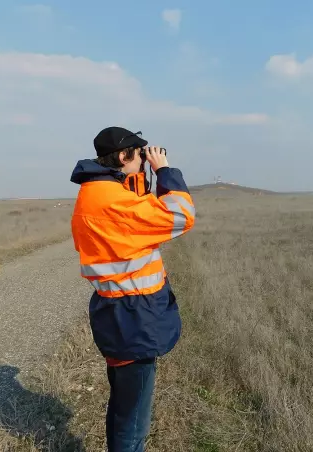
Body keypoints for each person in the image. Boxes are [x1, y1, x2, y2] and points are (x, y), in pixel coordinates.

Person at [69, 126, 196, 451]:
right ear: (124, 156)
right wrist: (164, 170)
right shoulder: (112, 203)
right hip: (134, 323)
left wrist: (141, 174)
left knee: (123, 409)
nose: (145, 160)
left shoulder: (96, 194)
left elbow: (134, 209)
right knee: (133, 423)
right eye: (139, 155)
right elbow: (182, 215)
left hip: (116, 318)